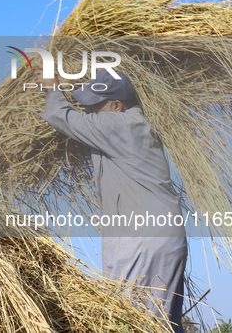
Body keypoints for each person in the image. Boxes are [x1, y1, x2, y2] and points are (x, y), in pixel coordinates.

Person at [33, 68, 188, 333]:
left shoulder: (123, 125)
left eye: (94, 106)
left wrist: (51, 87)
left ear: (116, 106)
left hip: (143, 239)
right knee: (157, 326)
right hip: (152, 236)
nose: (87, 112)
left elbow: (63, 117)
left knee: (132, 324)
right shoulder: (129, 128)